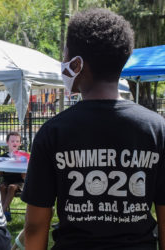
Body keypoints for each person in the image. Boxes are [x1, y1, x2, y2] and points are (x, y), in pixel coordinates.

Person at [21, 8, 165, 250]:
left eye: (65, 55)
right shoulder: (157, 130)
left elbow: (35, 226)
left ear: (77, 64)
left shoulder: (52, 132)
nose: (63, 62)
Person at [0, 131, 25, 221]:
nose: (15, 143)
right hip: (7, 180)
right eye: (12, 141)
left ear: (20, 143)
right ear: (7, 142)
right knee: (2, 187)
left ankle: (2, 211)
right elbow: (1, 173)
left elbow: (25, 174)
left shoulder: (23, 156)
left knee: (11, 187)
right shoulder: (3, 156)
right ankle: (6, 213)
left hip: (19, 182)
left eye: (17, 141)